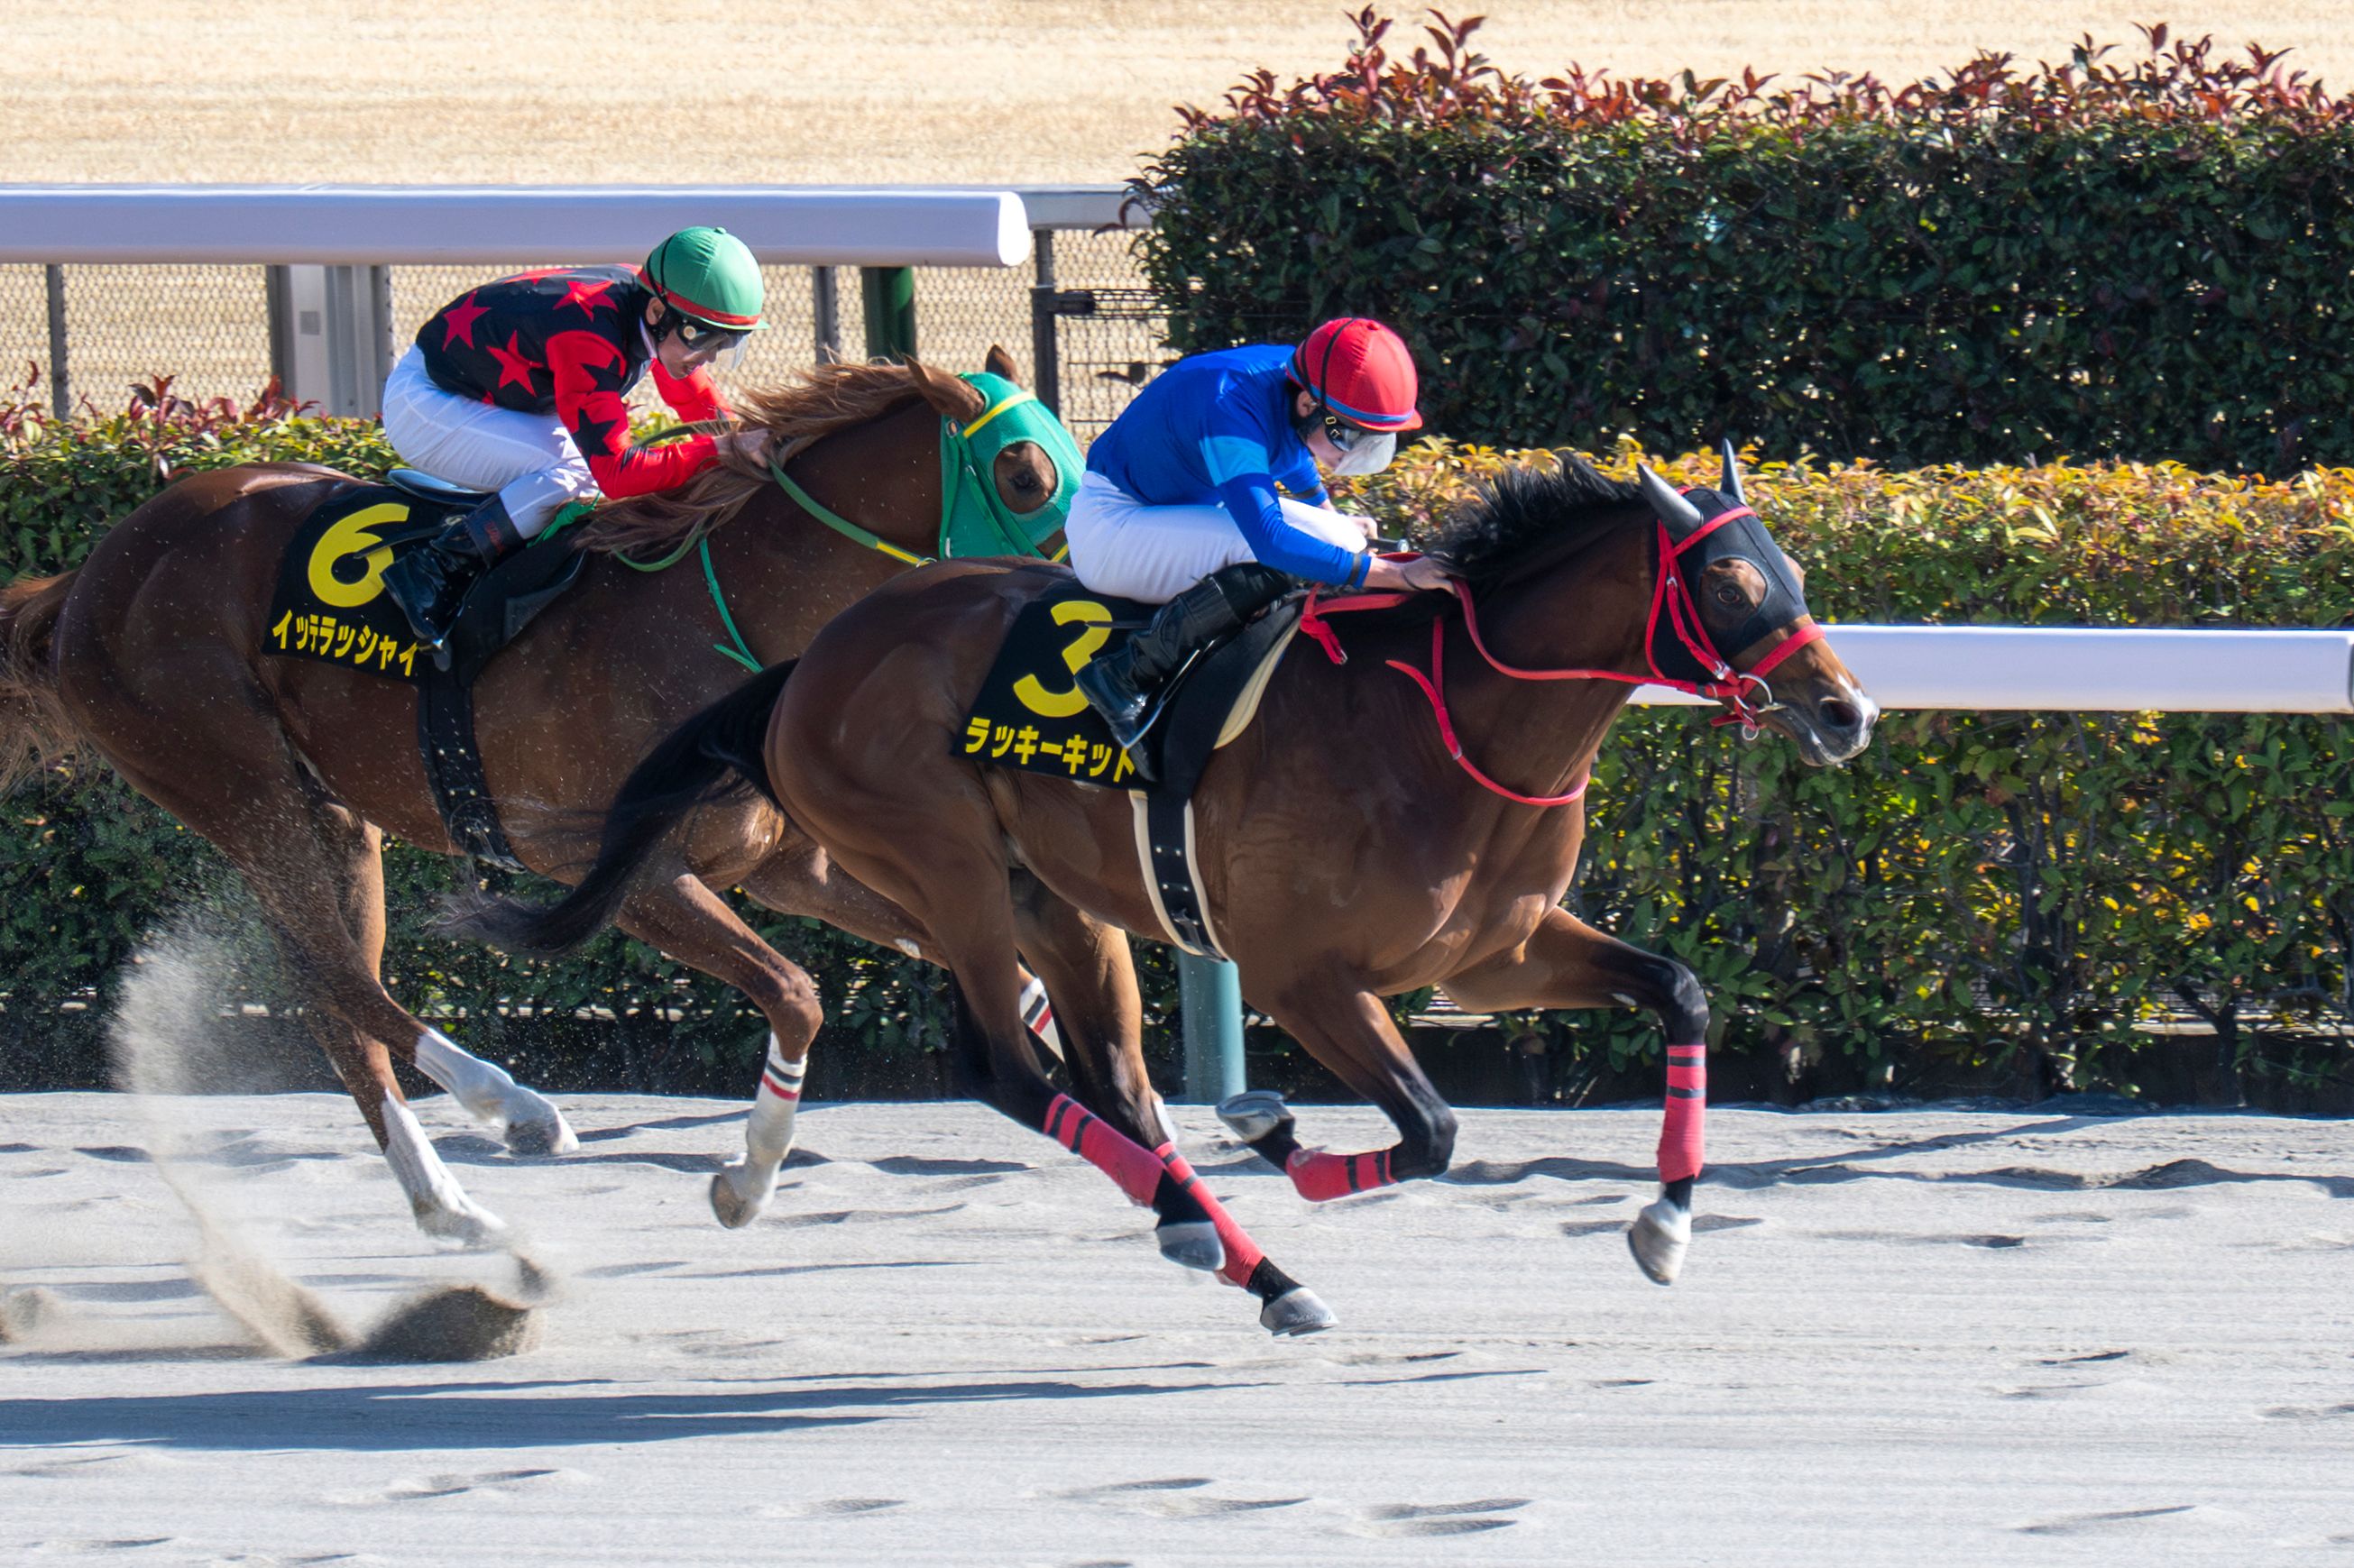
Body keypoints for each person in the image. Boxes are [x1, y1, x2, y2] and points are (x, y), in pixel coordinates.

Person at [1068, 316, 1456, 775]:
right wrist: (1396, 575)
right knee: (1304, 553)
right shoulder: (1229, 406)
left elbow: (1290, 452)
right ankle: (1127, 673)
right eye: (1351, 436)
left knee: (1341, 538)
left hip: (1170, 511)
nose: (1356, 453)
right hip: (1113, 527)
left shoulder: (1295, 382)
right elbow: (1269, 541)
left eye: (1375, 439)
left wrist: (1330, 515)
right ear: (1310, 402)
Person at [378, 225, 775, 648]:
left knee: (580, 469)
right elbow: (618, 474)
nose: (710, 356)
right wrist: (723, 449)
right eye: (706, 337)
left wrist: (742, 439)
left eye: (726, 342)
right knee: (578, 473)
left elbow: (694, 398)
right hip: (425, 406)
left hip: (479, 394)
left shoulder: (647, 307)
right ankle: (438, 565)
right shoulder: (591, 336)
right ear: (658, 313)